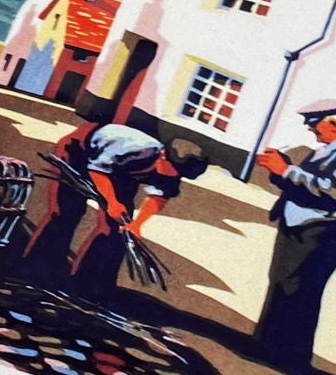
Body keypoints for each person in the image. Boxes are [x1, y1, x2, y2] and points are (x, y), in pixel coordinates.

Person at [16, 120, 208, 300]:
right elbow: (98, 171)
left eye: (179, 174)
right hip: (79, 153)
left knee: (117, 229)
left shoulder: (173, 172)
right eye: (173, 170)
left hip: (120, 173)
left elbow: (159, 197)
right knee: (67, 212)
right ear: (163, 156)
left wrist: (137, 225)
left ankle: (86, 286)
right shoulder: (137, 149)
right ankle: (36, 270)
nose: (174, 176)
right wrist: (112, 202)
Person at [254, 99, 336, 375]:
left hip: (322, 228)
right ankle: (269, 347)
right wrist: (279, 170)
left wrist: (286, 170)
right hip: (302, 223)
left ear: (333, 124)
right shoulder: (331, 149)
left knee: (299, 288)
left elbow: (331, 192)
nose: (311, 130)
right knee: (283, 282)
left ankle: (287, 356)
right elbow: (304, 185)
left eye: (314, 125)